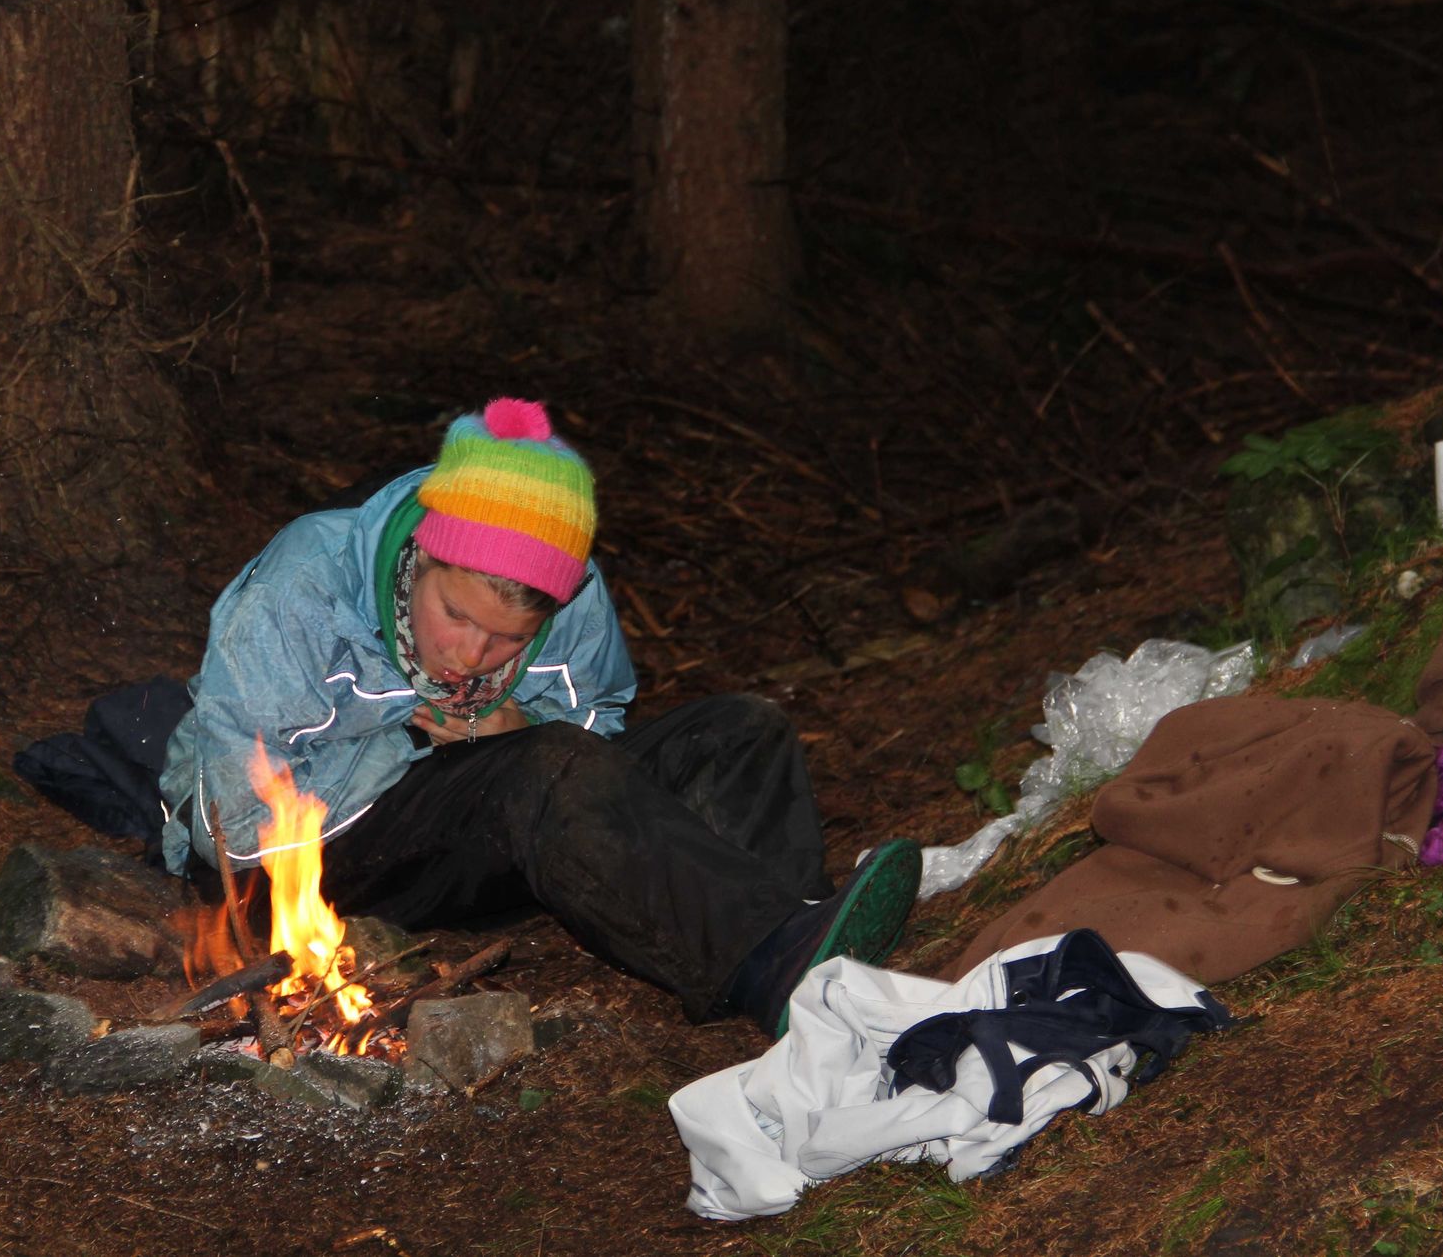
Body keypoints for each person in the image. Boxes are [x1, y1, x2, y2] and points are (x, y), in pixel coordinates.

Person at [52, 398, 920, 1036]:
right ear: (422, 555)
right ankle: (765, 963)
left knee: (740, 730)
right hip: (308, 866)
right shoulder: (301, 590)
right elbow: (237, 829)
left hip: (483, 822)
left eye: (508, 638)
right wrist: (427, 739)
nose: (470, 656)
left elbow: (597, 722)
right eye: (455, 616)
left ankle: (798, 929)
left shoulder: (568, 591)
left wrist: (507, 730)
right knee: (547, 768)